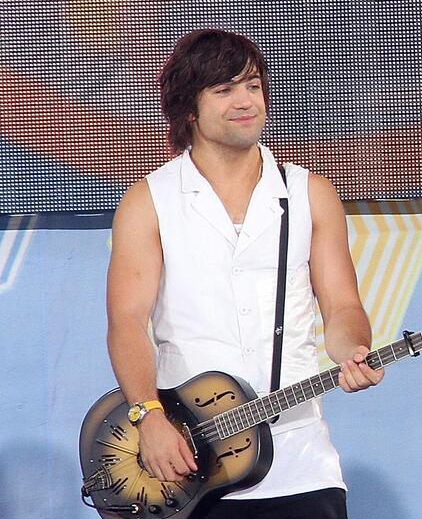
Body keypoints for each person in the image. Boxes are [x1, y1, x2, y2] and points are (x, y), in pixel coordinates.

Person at [106, 29, 383, 518]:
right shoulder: (149, 201)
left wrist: (354, 352)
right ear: (189, 109)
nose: (245, 101)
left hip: (301, 461)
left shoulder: (309, 193)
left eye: (253, 86)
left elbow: (342, 306)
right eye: (225, 89)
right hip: (190, 465)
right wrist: (149, 416)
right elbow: (126, 321)